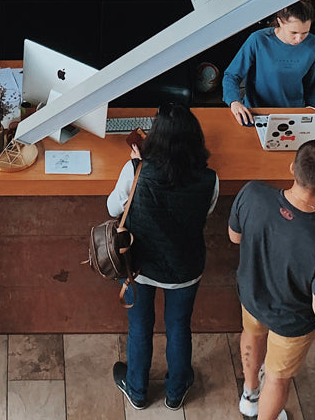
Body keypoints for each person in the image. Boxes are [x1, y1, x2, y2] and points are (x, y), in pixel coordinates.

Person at [107, 103, 219, 410]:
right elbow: (204, 212)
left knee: (140, 326)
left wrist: (135, 167)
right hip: (185, 267)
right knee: (179, 326)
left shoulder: (136, 170)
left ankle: (138, 390)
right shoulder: (210, 178)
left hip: (138, 265)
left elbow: (113, 209)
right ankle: (176, 390)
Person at [229, 139, 315, 420]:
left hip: (251, 295)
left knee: (252, 335)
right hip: (291, 322)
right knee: (278, 379)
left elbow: (235, 237)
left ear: (292, 167)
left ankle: (249, 393)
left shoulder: (253, 192)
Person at [223, 0, 315, 126]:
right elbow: (231, 76)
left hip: (294, 114)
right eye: (294, 32)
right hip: (257, 113)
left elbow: (313, 85)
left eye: (305, 33)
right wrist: (235, 102)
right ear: (280, 21)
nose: (299, 39)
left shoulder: (313, 43)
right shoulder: (258, 40)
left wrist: (312, 114)